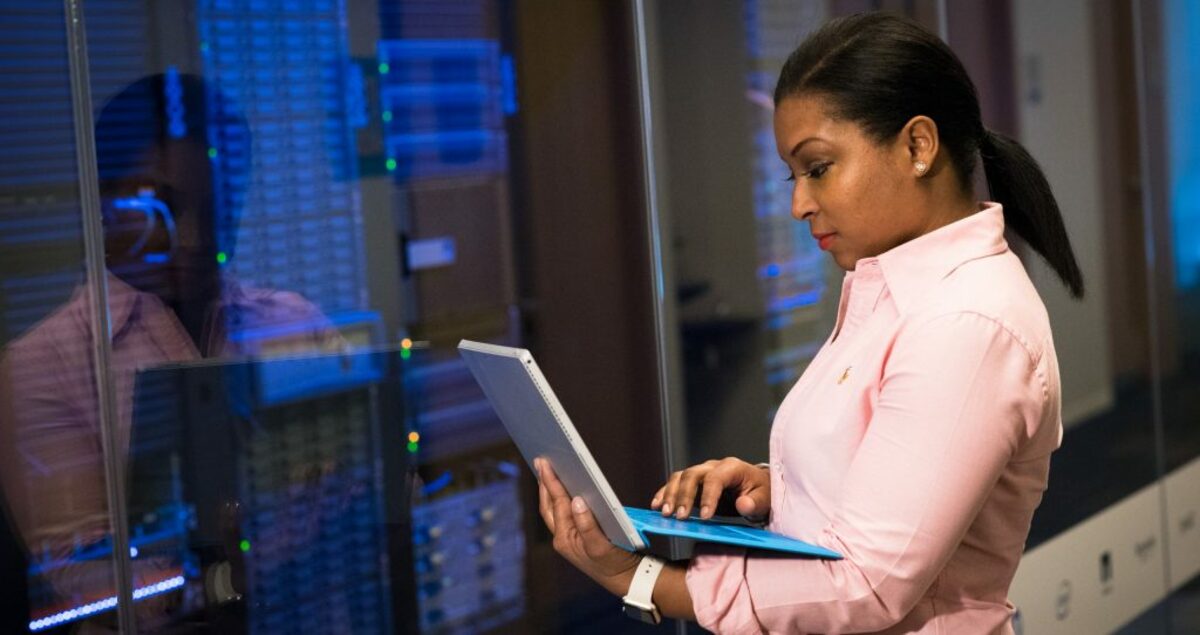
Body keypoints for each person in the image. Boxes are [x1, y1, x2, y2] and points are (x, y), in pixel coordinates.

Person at [535, 12, 1080, 634]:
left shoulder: (966, 322)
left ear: (917, 146)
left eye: (817, 168)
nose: (798, 204)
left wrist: (639, 578)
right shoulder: (897, 292)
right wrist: (778, 487)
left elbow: (866, 584)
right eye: (791, 176)